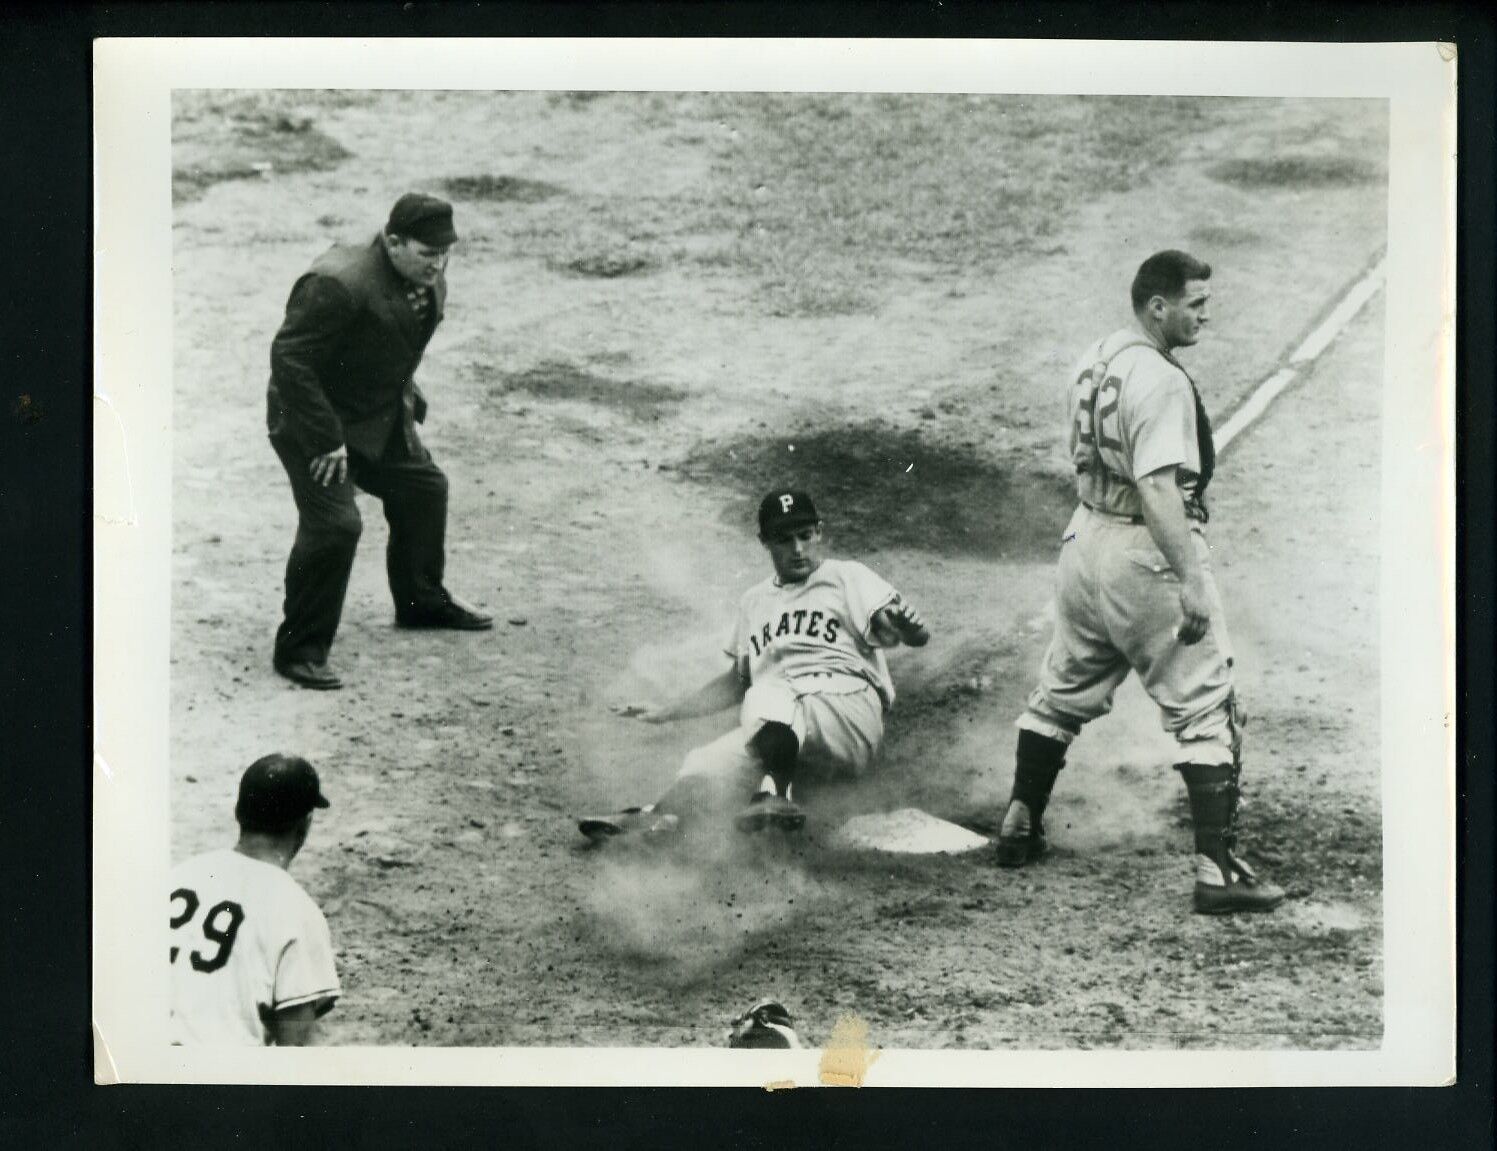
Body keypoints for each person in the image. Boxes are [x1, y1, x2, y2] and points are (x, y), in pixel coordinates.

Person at [993, 250, 1284, 915]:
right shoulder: (1161, 382)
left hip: (1083, 542)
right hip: (1141, 549)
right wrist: (1187, 578)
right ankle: (1217, 870)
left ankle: (1018, 819)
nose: (1204, 315)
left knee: (1062, 689)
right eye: (1194, 304)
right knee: (1205, 703)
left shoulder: (1095, 356)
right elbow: (1156, 487)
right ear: (1158, 306)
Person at [579, 490, 930, 841]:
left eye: (805, 536)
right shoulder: (753, 602)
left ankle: (775, 795)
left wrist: (910, 630)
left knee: (768, 693)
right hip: (790, 728)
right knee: (707, 760)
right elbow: (736, 683)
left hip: (846, 713)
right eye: (784, 539)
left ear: (819, 532)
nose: (797, 549)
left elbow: (890, 624)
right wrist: (666, 712)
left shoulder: (846, 576)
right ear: (765, 542)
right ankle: (655, 818)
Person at [266, 191, 491, 691]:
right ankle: (299, 649)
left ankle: (421, 603)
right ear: (392, 242)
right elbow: (290, 361)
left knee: (424, 489)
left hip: (376, 416)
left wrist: (403, 393)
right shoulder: (338, 284)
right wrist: (326, 440)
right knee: (337, 526)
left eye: (445, 253)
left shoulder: (425, 279)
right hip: (310, 422)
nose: (439, 263)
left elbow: (393, 340)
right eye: (428, 252)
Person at [169, 754, 341, 1045]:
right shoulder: (298, 912)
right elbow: (296, 1050)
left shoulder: (177, 877)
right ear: (304, 826)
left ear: (239, 813)